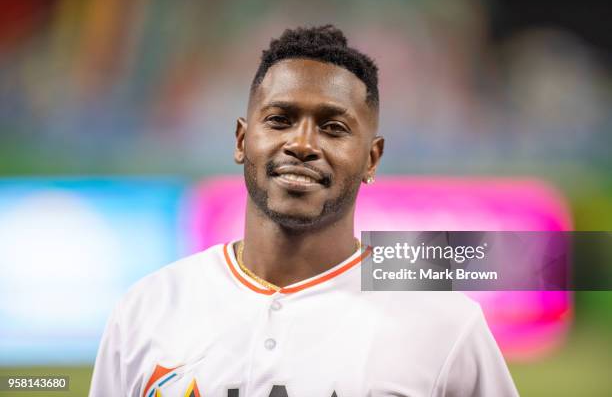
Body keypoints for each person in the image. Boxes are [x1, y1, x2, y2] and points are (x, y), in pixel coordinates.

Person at [89, 25, 518, 397]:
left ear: (372, 158)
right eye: (279, 119)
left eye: (333, 128)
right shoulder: (147, 309)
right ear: (241, 140)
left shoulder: (446, 324)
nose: (303, 144)